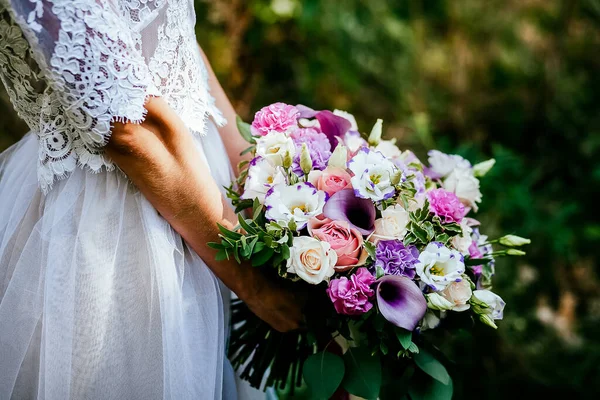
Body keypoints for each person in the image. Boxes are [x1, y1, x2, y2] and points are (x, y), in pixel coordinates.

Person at [0, 1, 301, 399]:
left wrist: (252, 169)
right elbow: (126, 126)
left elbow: (168, 33)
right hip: (114, 230)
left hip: (203, 204)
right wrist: (253, 283)